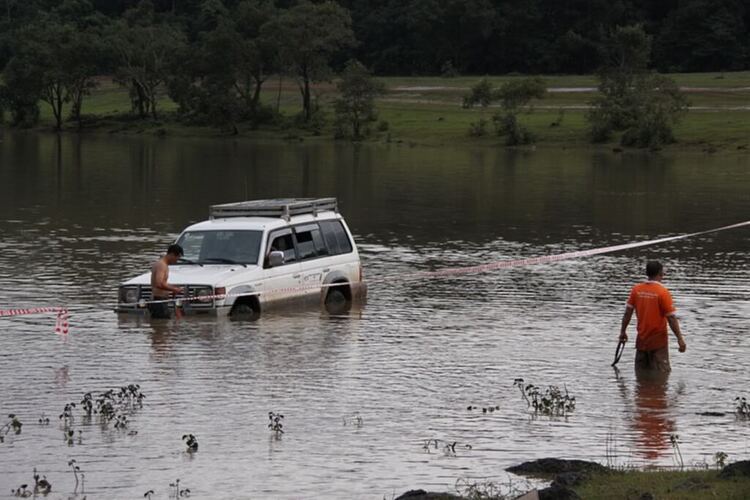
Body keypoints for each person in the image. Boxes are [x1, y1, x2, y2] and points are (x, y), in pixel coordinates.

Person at [619, 260, 687, 373]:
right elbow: (671, 318)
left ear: (647, 273)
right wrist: (680, 339)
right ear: (661, 273)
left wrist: (622, 332)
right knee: (662, 374)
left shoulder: (636, 290)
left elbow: (627, 313)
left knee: (641, 374)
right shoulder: (663, 292)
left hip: (641, 340)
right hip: (658, 342)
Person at [149, 244, 184, 319]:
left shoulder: (163, 265)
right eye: (177, 258)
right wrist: (174, 289)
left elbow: (162, 283)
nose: (176, 261)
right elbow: (159, 284)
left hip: (161, 301)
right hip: (158, 301)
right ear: (172, 254)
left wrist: (173, 288)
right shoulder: (162, 265)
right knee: (161, 328)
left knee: (163, 327)